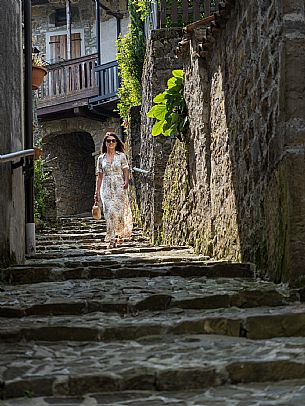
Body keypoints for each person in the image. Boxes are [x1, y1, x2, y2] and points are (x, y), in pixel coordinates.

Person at [94, 132, 133, 249]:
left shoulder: (121, 156)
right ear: (105, 143)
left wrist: (126, 181)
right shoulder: (101, 158)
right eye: (108, 141)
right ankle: (111, 238)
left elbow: (125, 169)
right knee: (109, 212)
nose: (111, 142)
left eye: (113, 140)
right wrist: (96, 192)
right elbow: (99, 176)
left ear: (116, 143)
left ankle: (118, 235)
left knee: (119, 213)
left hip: (119, 185)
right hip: (105, 186)